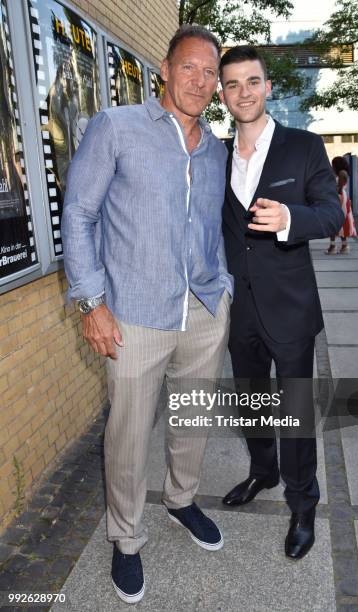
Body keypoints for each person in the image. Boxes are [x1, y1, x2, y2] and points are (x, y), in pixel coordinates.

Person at [61, 25, 233, 603]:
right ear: (163, 69)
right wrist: (91, 303)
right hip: (132, 312)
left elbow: (211, 227)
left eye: (210, 73)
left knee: (192, 419)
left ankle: (182, 501)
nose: (201, 81)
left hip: (204, 310)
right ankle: (126, 539)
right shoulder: (116, 127)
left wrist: (223, 286)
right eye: (190, 68)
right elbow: (78, 215)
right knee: (129, 433)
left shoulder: (215, 148)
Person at [218, 46, 344, 560]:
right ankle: (262, 472)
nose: (243, 92)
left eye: (252, 81)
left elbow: (332, 215)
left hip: (291, 308)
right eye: (232, 84)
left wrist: (290, 219)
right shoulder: (214, 153)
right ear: (222, 94)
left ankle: (303, 504)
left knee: (293, 412)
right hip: (238, 307)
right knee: (251, 404)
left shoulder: (303, 146)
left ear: (268, 87)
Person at [326, 156, 356, 254]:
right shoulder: (343, 172)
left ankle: (333, 246)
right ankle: (343, 245)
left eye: (333, 164)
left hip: (339, 197)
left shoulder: (342, 173)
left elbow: (339, 187)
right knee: (341, 222)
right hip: (342, 197)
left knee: (334, 221)